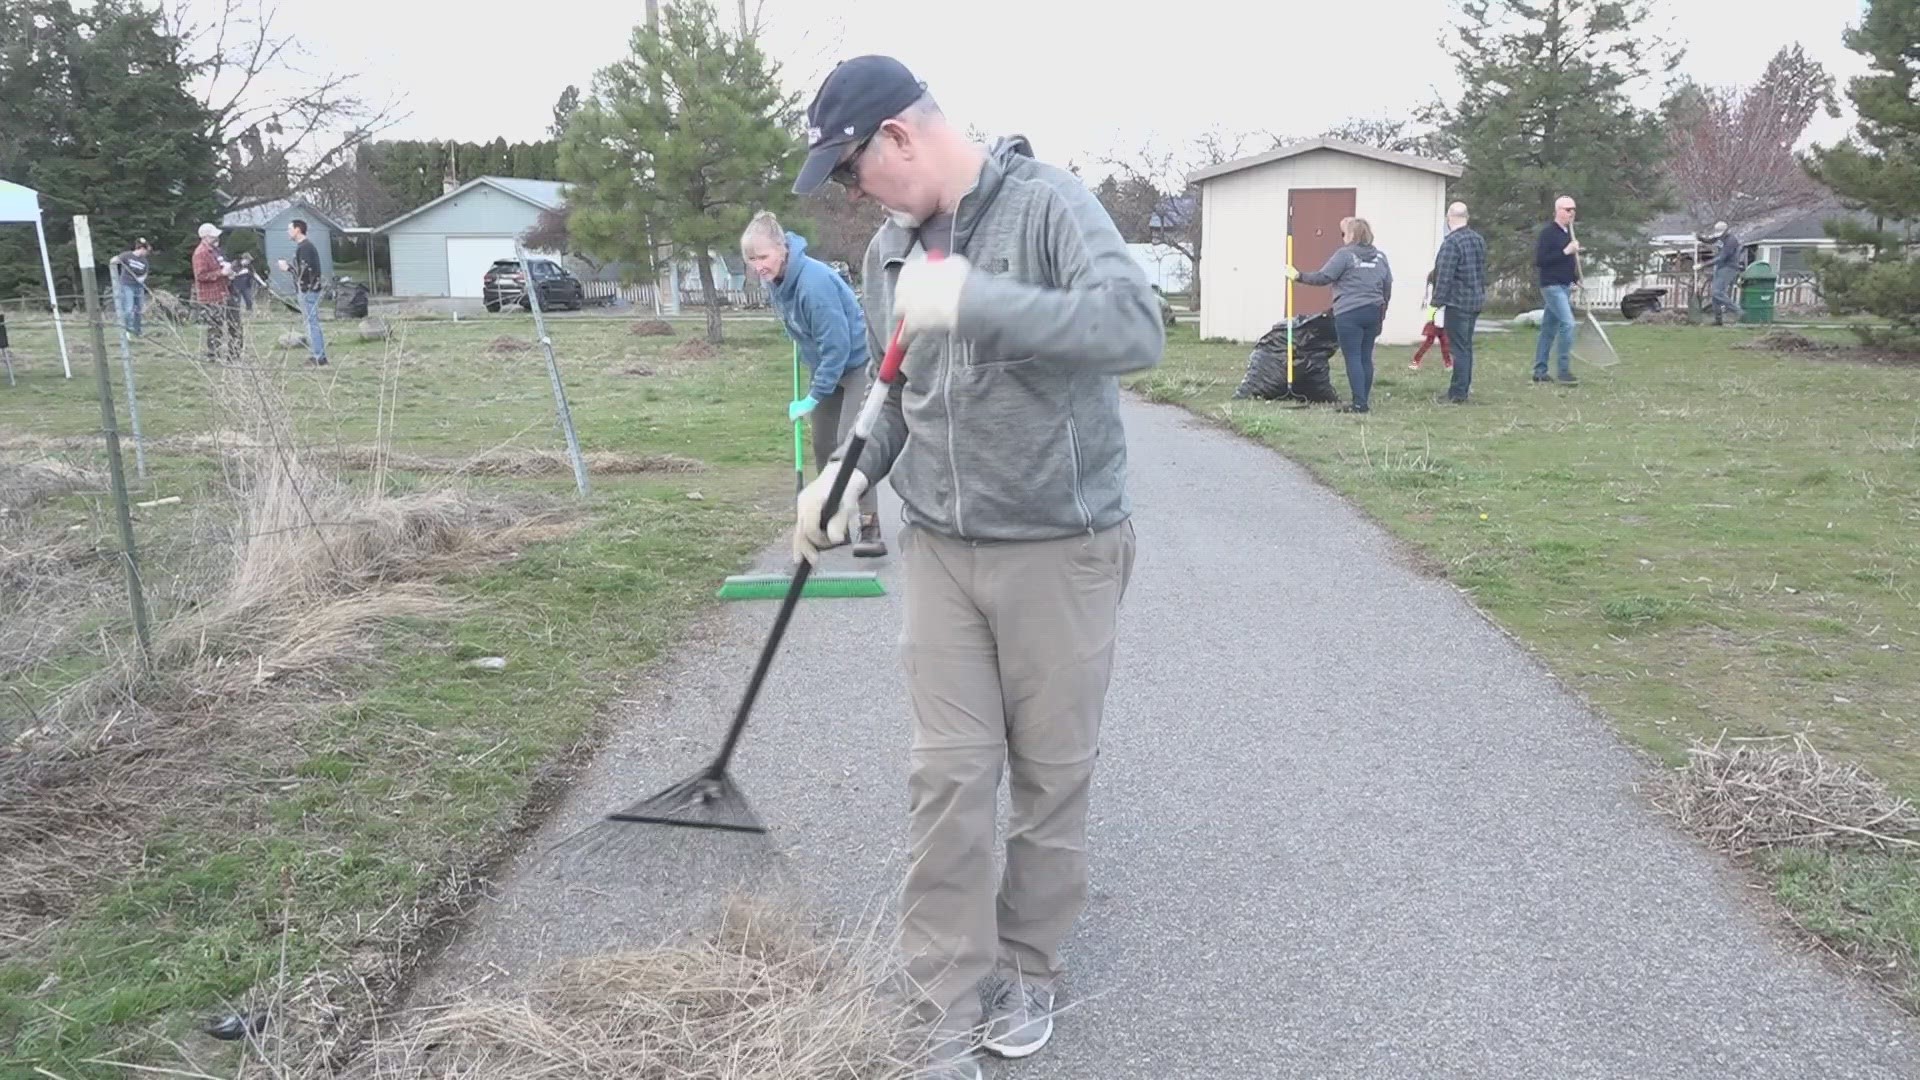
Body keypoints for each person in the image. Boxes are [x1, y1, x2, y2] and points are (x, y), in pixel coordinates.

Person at [788, 54, 1163, 1080]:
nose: (855, 195)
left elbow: (1137, 329)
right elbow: (900, 398)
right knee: (947, 773)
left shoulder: (1048, 208)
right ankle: (948, 986)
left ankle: (1031, 963)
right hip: (942, 552)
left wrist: (979, 301)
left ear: (900, 139)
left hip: (1061, 547)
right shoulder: (888, 259)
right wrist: (845, 480)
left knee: (1049, 774)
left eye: (855, 170)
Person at [740, 210, 886, 557]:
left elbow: (835, 346)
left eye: (763, 256)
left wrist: (813, 395)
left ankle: (870, 524)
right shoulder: (777, 282)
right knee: (823, 445)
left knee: (850, 445)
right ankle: (833, 521)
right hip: (825, 367)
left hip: (854, 364)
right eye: (751, 259)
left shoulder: (812, 284)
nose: (758, 265)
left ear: (782, 249)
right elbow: (805, 330)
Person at [1286, 216, 1392, 413]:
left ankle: (1359, 404)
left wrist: (1298, 276)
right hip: (1373, 310)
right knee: (1365, 357)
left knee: (1352, 356)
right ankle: (1363, 399)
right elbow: (1387, 285)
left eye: (1344, 234)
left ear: (1352, 235)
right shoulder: (1380, 257)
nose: (1342, 237)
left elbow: (1324, 277)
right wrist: (1382, 309)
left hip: (1349, 312)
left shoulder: (1345, 255)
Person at [1430, 200, 1488, 403]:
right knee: (1466, 346)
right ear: (1467, 218)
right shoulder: (1478, 239)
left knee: (1459, 349)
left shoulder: (1451, 243)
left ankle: (1458, 393)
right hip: (1475, 300)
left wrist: (1435, 302)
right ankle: (1463, 386)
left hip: (1457, 302)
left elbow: (1444, 275)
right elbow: (1481, 271)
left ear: (1449, 218)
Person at [1533, 195, 1580, 385]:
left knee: (1548, 330)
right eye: (1568, 210)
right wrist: (1565, 251)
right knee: (1568, 324)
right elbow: (1541, 261)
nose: (1572, 214)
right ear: (1558, 210)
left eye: (1574, 210)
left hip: (1564, 285)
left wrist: (1575, 279)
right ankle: (1563, 371)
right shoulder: (1548, 233)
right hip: (1551, 286)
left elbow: (1567, 264)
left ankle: (1540, 371)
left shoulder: (1567, 233)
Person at [277, 219, 328, 365]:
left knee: (311, 323)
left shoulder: (304, 247)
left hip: (308, 291)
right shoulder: (305, 247)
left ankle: (318, 356)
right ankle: (318, 354)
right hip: (309, 289)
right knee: (311, 322)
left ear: (298, 229)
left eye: (289, 229)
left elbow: (304, 272)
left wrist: (288, 268)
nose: (288, 232)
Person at [190, 223, 239, 364]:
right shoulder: (200, 253)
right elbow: (200, 275)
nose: (216, 237)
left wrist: (228, 272)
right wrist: (220, 273)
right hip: (210, 296)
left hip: (224, 291)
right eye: (213, 236)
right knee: (215, 327)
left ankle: (233, 355)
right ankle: (214, 356)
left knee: (234, 324)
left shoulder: (215, 251)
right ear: (205, 237)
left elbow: (220, 267)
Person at [1701, 221, 1745, 326]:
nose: (1719, 237)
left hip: (1729, 268)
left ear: (1726, 231)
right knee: (1714, 296)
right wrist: (1700, 238)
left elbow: (1723, 257)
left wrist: (1704, 265)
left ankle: (1738, 311)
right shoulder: (1722, 238)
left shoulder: (1731, 241)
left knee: (1717, 292)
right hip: (1720, 267)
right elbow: (1711, 240)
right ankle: (1718, 320)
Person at [1409, 270, 1452, 373]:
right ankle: (1416, 361)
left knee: (1442, 342)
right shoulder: (1433, 290)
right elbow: (1432, 306)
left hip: (1439, 318)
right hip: (1436, 319)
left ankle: (1448, 364)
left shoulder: (1433, 289)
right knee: (1434, 342)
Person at [108, 238, 152, 337]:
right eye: (146, 250)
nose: (147, 253)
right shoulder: (126, 256)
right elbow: (113, 260)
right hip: (127, 285)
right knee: (128, 309)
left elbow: (145, 273)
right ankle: (127, 330)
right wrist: (115, 260)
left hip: (138, 287)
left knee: (139, 310)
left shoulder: (144, 261)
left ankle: (138, 331)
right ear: (141, 249)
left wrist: (142, 279)